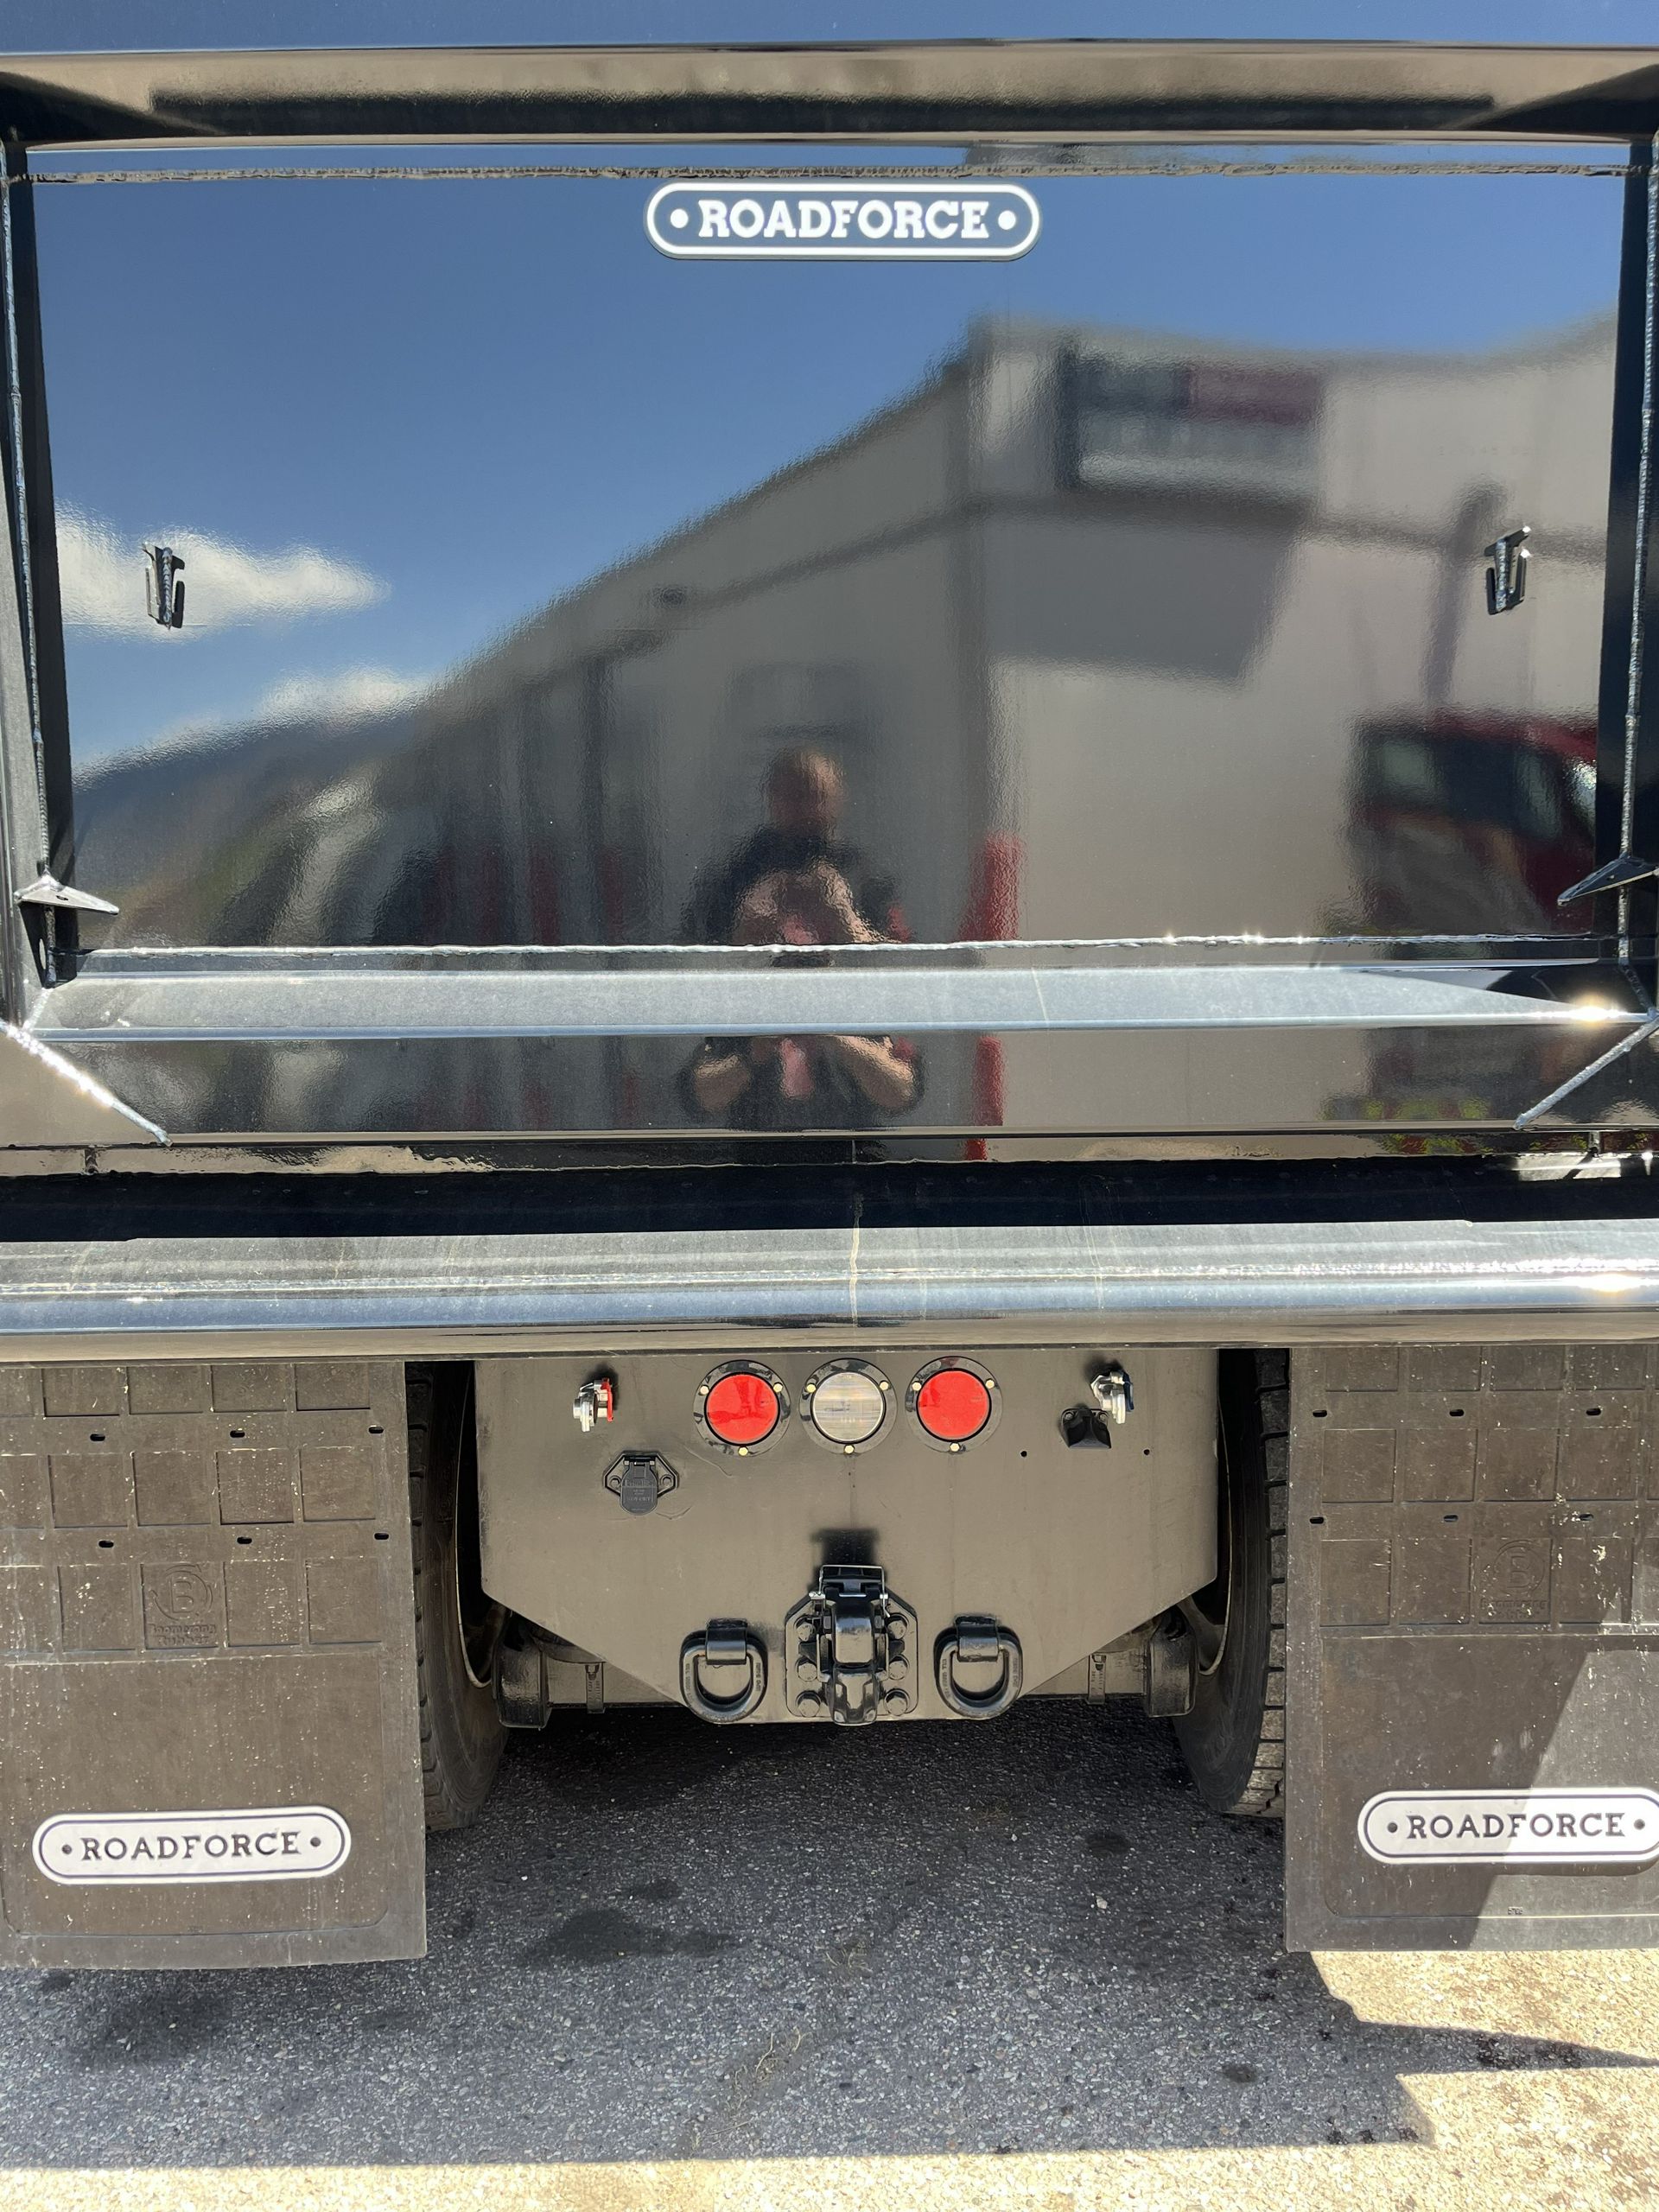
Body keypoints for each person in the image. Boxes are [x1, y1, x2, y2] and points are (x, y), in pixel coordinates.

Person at [678, 746, 919, 1128]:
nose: (806, 808)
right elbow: (693, 984)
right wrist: (746, 934)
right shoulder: (732, 882)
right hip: (753, 1123)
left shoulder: (867, 882)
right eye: (794, 795)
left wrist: (844, 919)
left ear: (838, 799)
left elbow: (902, 981)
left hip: (851, 1122)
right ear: (772, 799)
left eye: (816, 795)